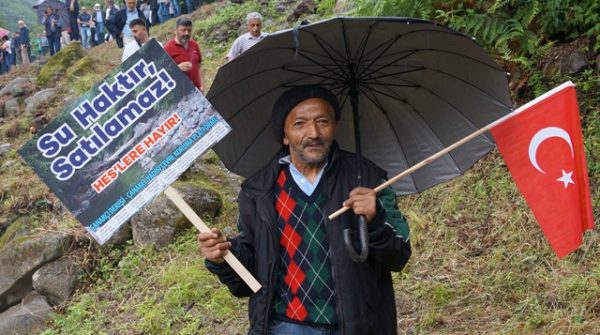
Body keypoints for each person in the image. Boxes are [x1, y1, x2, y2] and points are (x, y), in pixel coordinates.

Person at [198, 85, 411, 335]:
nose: (314, 133)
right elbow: (250, 276)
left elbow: (399, 256)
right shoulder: (259, 191)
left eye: (323, 121)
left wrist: (375, 220)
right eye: (300, 124)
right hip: (285, 326)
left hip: (357, 325)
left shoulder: (369, 178)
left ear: (335, 126)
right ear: (285, 135)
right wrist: (223, 257)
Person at [164, 16, 204, 92]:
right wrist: (177, 68)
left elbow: (199, 66)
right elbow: (163, 73)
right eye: (183, 30)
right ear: (176, 31)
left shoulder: (194, 45)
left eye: (189, 30)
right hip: (181, 95)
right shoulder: (167, 49)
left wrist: (202, 85)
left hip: (198, 91)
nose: (186, 33)